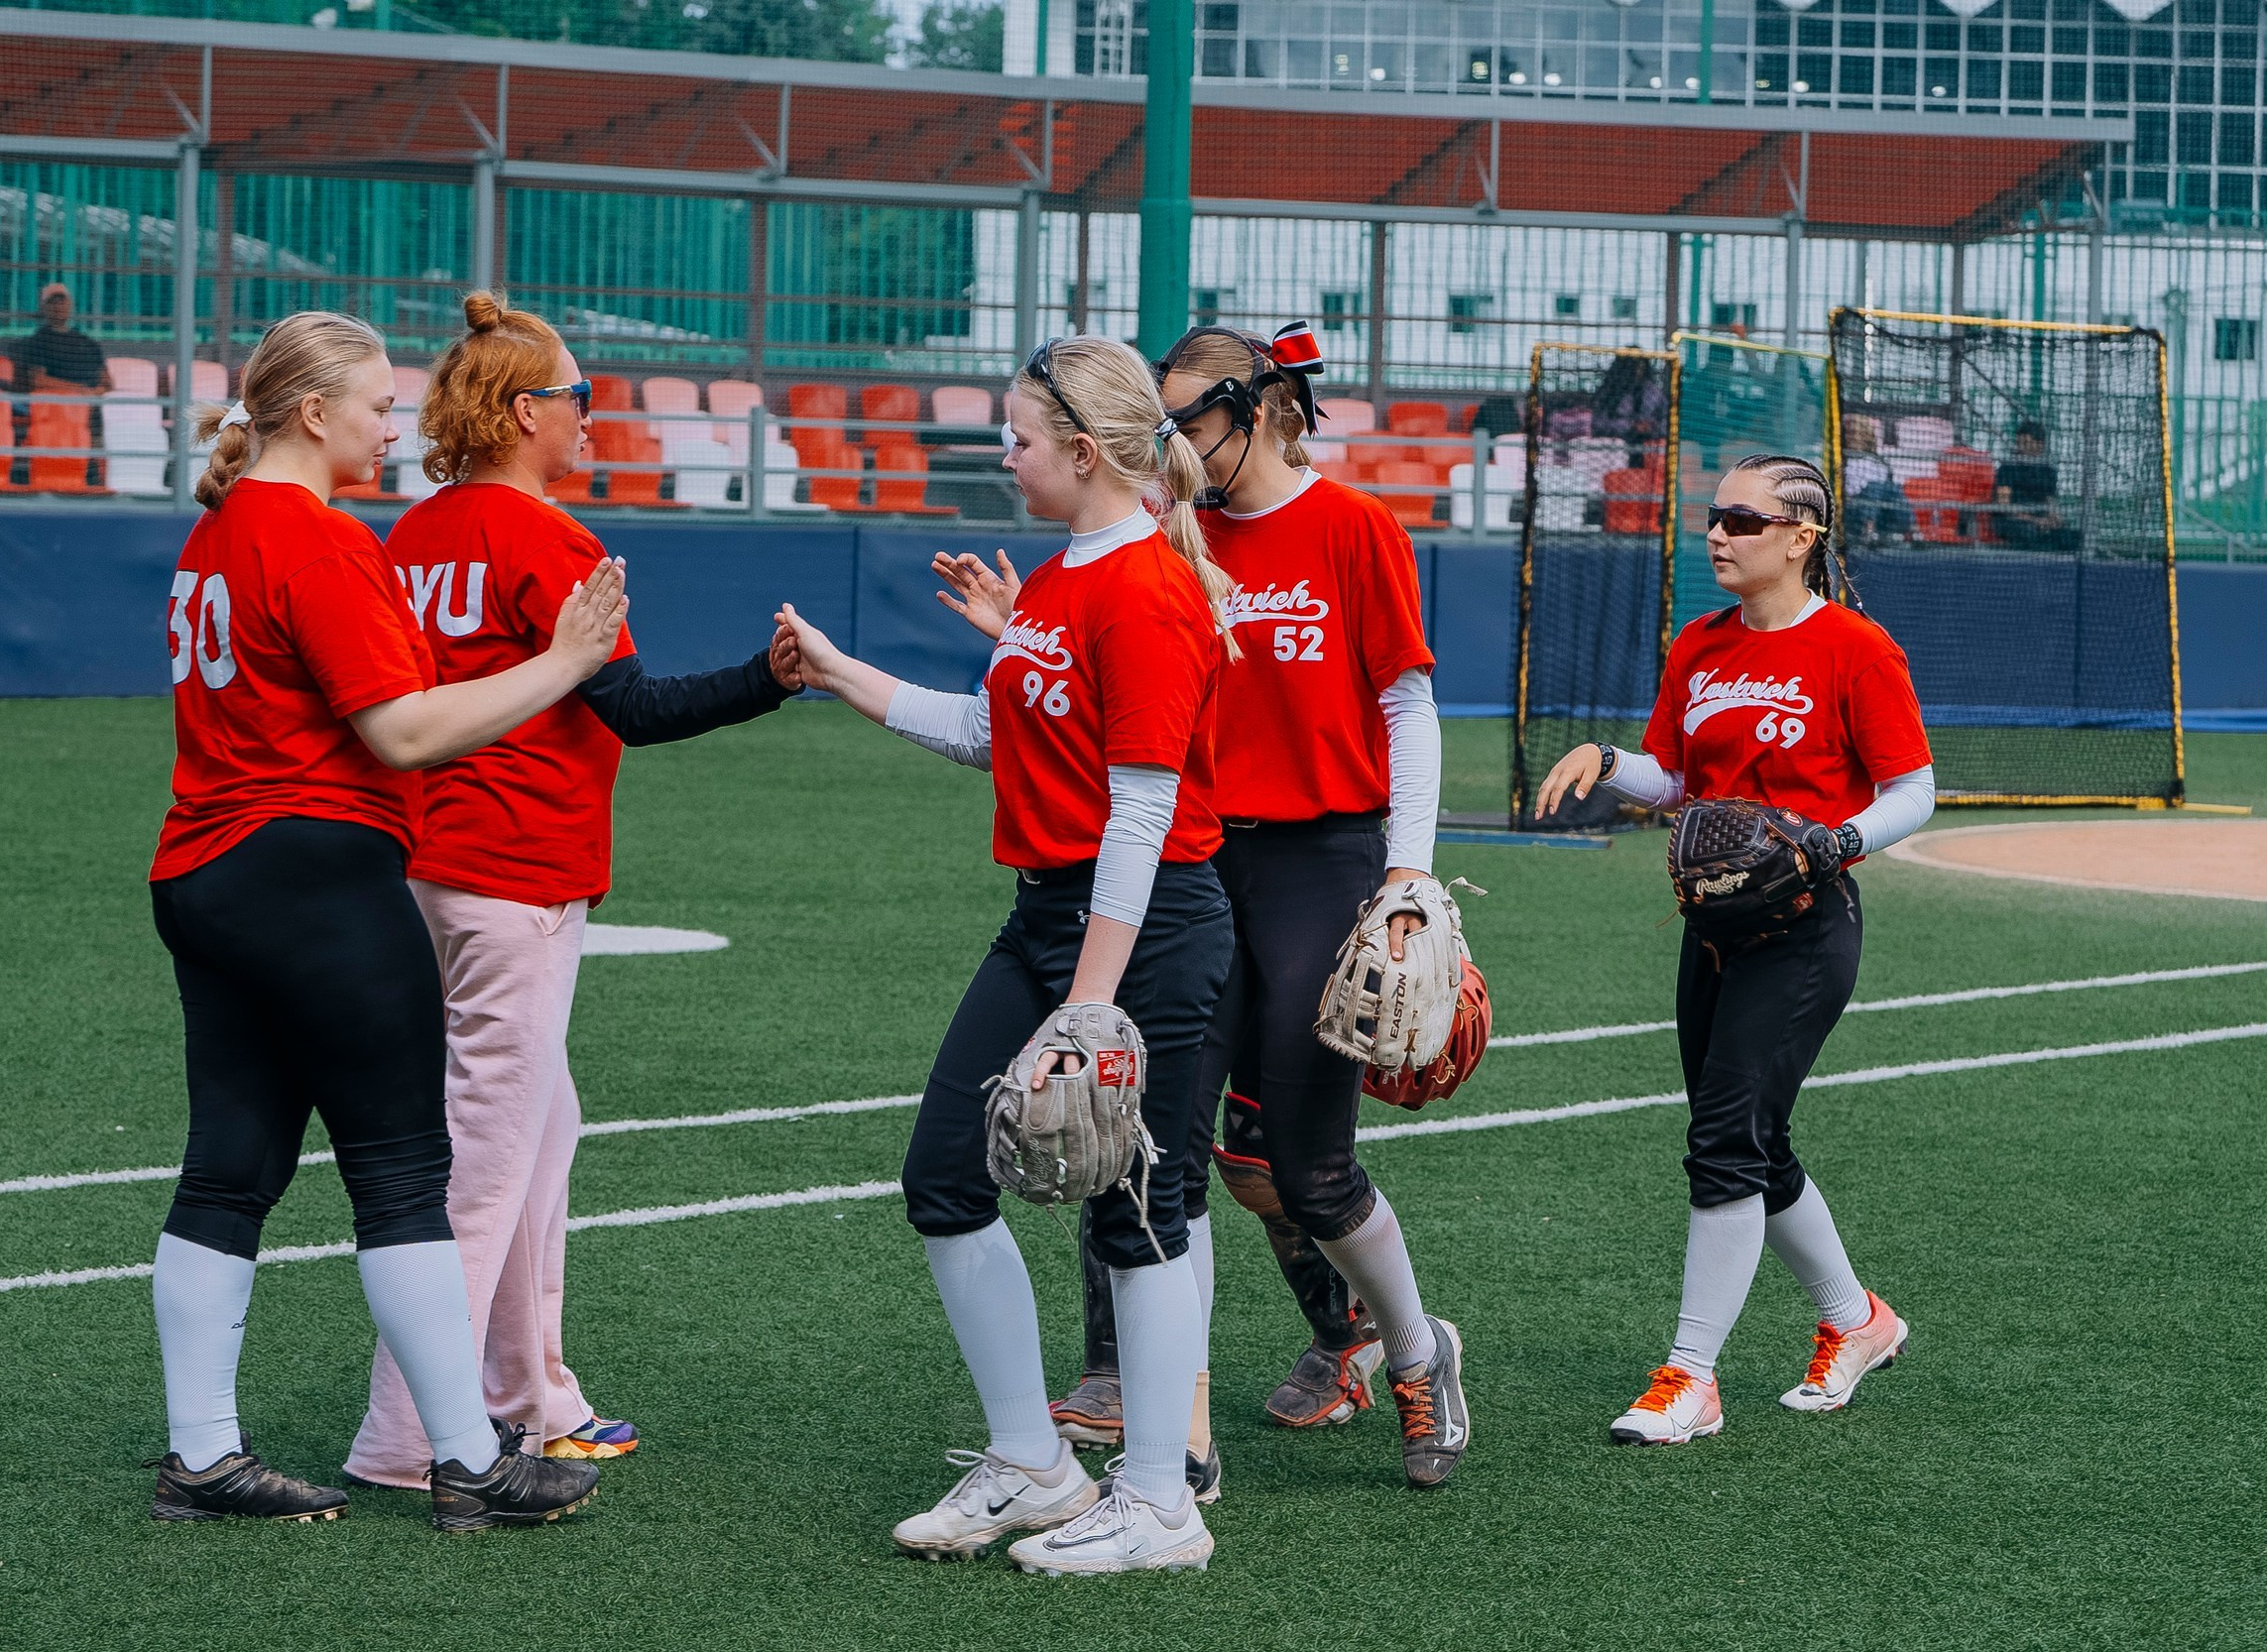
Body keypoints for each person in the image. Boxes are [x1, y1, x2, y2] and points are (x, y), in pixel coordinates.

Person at [929, 324, 1471, 1489]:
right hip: (1197, 862)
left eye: (1189, 416)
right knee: (1158, 1154)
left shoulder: (1354, 527)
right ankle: (1180, 1433)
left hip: (1325, 862)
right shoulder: (1173, 536)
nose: (1170, 440)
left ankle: (1416, 1350)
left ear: (1265, 407)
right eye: (1159, 418)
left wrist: (1410, 873)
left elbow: (1407, 707)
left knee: (1308, 1170)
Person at [145, 308, 621, 1531]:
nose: (390, 425)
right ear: (314, 412)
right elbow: (403, 732)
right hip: (315, 875)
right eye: (375, 405)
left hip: (206, 871)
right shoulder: (313, 537)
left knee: (229, 1169)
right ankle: (466, 1459)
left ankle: (202, 1456)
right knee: (406, 1172)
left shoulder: (222, 529)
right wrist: (563, 664)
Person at [774, 335, 1235, 1575]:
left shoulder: (1144, 586)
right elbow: (993, 735)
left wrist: (1091, 1001)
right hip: (1051, 920)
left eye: (1021, 437)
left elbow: (1143, 809)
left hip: (1140, 932)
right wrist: (836, 673)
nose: (1003, 453)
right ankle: (1033, 1461)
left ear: (1085, 453)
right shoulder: (1069, 575)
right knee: (942, 1174)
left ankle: (1157, 1504)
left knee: (1142, 1213)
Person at [342, 294, 801, 1489]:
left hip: (429, 866)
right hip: (514, 874)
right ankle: (406, 1437)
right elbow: (634, 711)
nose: (594, 417)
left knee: (541, 1139)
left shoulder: (416, 528)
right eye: (579, 399)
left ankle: (532, 1395)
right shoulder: (549, 542)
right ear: (524, 410)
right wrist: (768, 676)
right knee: (485, 1173)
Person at [1533, 455, 1937, 1446]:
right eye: (1712, 518)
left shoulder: (1855, 647)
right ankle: (1858, 1321)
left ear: (1802, 536)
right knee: (1755, 1142)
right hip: (1713, 930)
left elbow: (1913, 791)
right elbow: (1675, 777)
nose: (1717, 533)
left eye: (1741, 519)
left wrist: (1835, 841)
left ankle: (1689, 1378)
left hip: (1806, 929)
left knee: (1721, 1142)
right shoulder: (1700, 647)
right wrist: (1610, 764)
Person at [1992, 417, 2078, 550]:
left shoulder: (2048, 470)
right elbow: (2004, 506)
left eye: (2026, 443)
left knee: (2071, 537)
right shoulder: (2007, 468)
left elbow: (2050, 500)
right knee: (2029, 531)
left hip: (2040, 521)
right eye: (2018, 443)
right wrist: (2034, 520)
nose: (2020, 447)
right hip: (2012, 521)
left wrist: (2054, 518)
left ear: (2040, 445)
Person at [11, 283, 110, 394]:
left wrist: (95, 392)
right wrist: (80, 390)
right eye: (52, 302)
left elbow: (106, 382)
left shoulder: (88, 343)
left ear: (70, 304)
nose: (57, 306)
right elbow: (38, 380)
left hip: (92, 403)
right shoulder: (37, 342)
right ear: (43, 308)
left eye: (61, 301)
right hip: (56, 405)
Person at [1839, 413, 1910, 545]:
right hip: (1852, 511)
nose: (1855, 437)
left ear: (1867, 436)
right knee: (1874, 488)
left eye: (1859, 433)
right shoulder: (1842, 460)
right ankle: (1868, 531)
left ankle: (1912, 532)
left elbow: (1887, 490)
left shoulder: (1877, 461)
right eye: (1851, 433)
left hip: (1881, 513)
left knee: (1893, 488)